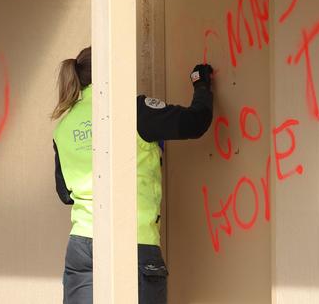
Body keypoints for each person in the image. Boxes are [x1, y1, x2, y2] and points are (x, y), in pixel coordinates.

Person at [51, 46, 214, 304]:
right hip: (134, 241)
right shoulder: (133, 111)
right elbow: (196, 123)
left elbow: (65, 194)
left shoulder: (64, 126)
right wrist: (201, 86)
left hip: (82, 245)